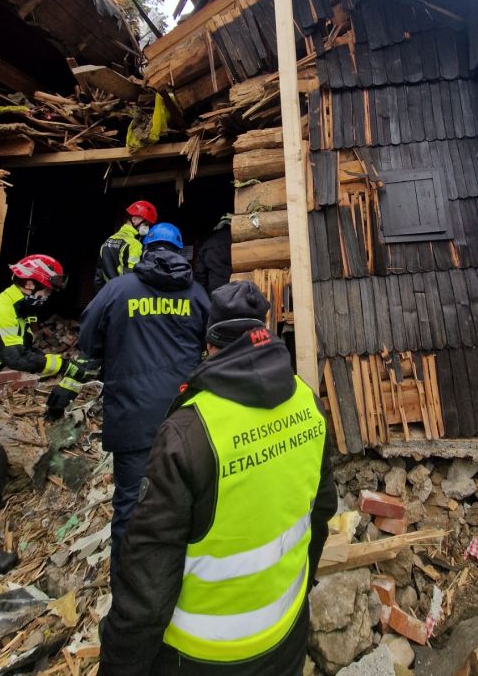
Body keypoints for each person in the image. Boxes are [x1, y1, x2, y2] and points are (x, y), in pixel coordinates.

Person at [99, 281, 337, 676]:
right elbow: (321, 513)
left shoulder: (188, 432)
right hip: (288, 636)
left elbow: (148, 584)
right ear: (265, 331)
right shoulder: (306, 400)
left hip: (202, 659)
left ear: (210, 344)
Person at [47, 223, 209, 576]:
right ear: (179, 251)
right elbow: (209, 343)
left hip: (131, 415)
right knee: (187, 498)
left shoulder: (118, 290)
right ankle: (179, 576)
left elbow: (88, 340)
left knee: (131, 504)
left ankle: (129, 588)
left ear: (146, 249)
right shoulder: (196, 294)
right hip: (185, 416)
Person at [0, 255, 96, 577]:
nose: (47, 297)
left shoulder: (16, 314)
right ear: (29, 284)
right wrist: (65, 366)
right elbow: (17, 358)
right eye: (45, 290)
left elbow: (25, 352)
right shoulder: (0, 310)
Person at [93, 200, 158, 293]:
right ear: (134, 219)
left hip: (107, 294)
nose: (147, 228)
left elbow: (98, 277)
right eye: (146, 224)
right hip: (123, 295)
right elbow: (131, 278)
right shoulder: (134, 244)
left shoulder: (108, 241)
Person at [193, 217, 231, 295]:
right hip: (238, 292)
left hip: (215, 293)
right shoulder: (240, 241)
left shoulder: (207, 243)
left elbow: (199, 275)